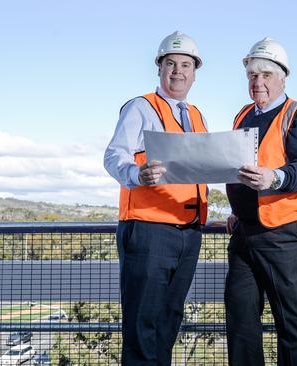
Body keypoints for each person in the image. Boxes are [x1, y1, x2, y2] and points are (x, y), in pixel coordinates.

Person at [103, 31, 208, 365]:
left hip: (188, 232)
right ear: (159, 68)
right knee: (143, 323)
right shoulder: (141, 107)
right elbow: (114, 156)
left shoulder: (196, 116)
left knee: (168, 321)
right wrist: (136, 175)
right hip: (149, 231)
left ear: (195, 72)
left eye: (185, 65)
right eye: (171, 64)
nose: (178, 71)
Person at [225, 37, 297, 366]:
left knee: (291, 320)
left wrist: (274, 178)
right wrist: (238, 212)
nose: (258, 82)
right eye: (253, 75)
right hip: (246, 232)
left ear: (283, 77)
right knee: (240, 319)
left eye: (266, 75)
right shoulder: (243, 116)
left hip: (285, 232)